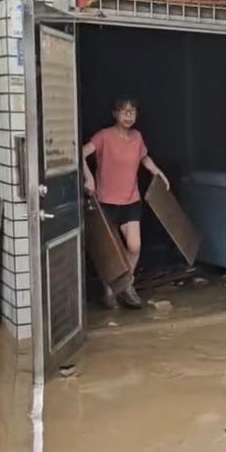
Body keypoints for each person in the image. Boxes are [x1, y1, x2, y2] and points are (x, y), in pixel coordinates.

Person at [82, 98, 170, 310]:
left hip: (131, 199)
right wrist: (89, 178)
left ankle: (123, 285)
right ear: (115, 114)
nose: (129, 116)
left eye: (132, 112)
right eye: (124, 112)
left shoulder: (137, 137)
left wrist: (158, 172)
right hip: (105, 201)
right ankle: (110, 290)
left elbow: (144, 158)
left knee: (134, 246)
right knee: (109, 253)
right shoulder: (104, 136)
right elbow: (80, 153)